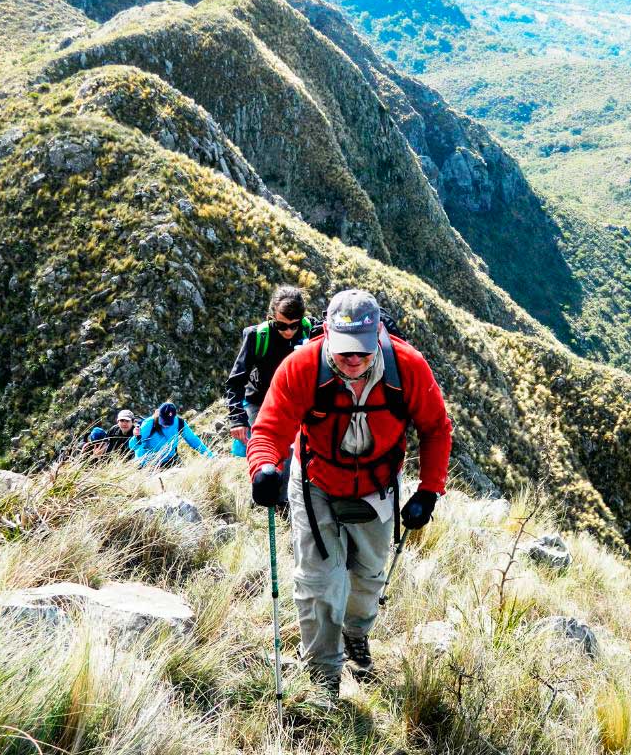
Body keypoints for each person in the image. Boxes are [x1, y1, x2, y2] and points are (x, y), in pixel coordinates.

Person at [247, 289, 452, 701]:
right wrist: (264, 468)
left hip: (378, 489)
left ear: (377, 335)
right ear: (326, 334)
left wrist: (429, 491)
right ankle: (323, 677)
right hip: (316, 484)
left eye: (362, 350)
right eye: (344, 351)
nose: (353, 360)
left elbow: (435, 428)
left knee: (369, 578)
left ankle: (356, 634)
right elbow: (269, 430)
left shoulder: (407, 367)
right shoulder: (301, 367)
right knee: (319, 582)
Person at [225, 286, 319, 450]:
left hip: (298, 405)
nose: (288, 331)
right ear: (271, 318)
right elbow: (236, 381)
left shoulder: (311, 330)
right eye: (281, 326)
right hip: (262, 403)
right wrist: (237, 419)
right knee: (269, 456)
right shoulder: (257, 336)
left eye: (294, 325)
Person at [133, 401, 214, 468]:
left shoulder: (180, 423)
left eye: (169, 421)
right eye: (164, 420)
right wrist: (136, 437)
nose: (166, 425)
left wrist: (210, 456)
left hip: (170, 460)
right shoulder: (149, 423)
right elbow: (133, 446)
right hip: (149, 463)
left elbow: (193, 440)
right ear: (158, 414)